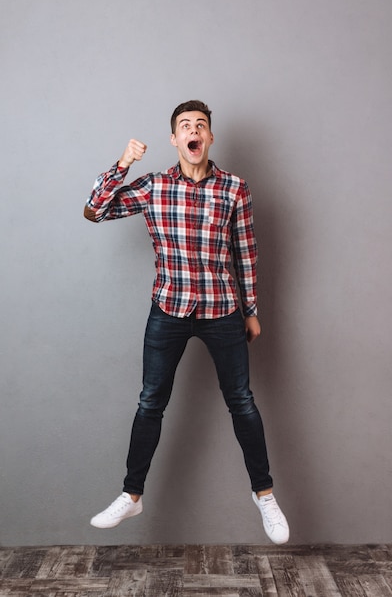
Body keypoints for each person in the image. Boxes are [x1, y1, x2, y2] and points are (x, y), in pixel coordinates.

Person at [84, 100, 289, 544]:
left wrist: (251, 310)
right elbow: (94, 210)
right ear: (175, 139)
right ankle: (132, 495)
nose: (193, 131)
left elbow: (246, 253)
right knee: (150, 402)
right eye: (184, 126)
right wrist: (122, 164)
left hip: (222, 310)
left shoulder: (235, 188)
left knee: (242, 402)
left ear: (209, 137)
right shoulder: (155, 185)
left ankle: (265, 495)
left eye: (201, 125)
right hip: (169, 307)